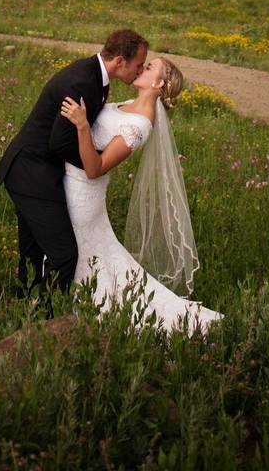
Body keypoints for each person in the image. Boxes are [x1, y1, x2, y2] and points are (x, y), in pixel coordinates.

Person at [60, 56, 222, 334]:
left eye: (149, 68)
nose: (141, 67)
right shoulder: (126, 106)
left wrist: (83, 126)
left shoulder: (139, 126)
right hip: (69, 184)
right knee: (100, 261)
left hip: (82, 196)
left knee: (83, 259)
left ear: (159, 83)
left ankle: (85, 318)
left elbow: (94, 169)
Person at [0, 29, 148, 306]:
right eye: (138, 65)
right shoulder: (83, 82)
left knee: (32, 252)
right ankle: (47, 319)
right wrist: (98, 164)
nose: (139, 71)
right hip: (31, 173)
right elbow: (59, 144)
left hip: (32, 170)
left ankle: (22, 310)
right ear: (120, 61)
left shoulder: (95, 77)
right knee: (63, 254)